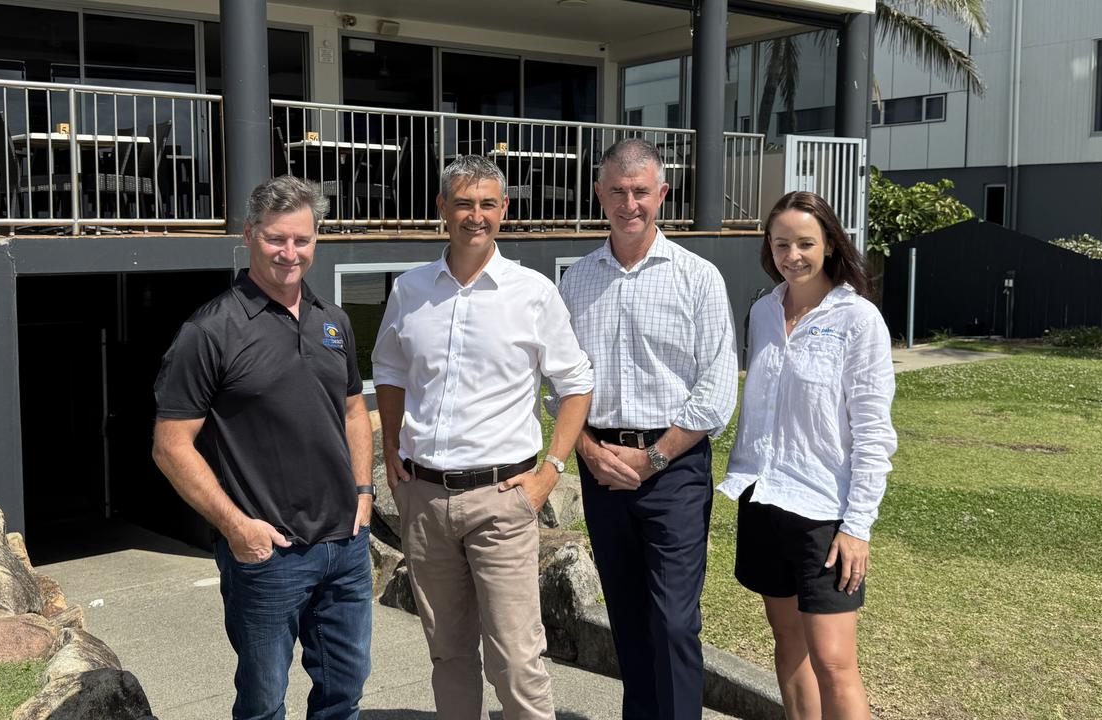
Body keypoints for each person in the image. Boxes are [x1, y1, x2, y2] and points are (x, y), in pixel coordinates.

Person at [372, 155, 594, 720]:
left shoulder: (533, 292)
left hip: (503, 499)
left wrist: (552, 470)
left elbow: (576, 383)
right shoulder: (409, 289)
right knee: (448, 654)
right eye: (464, 203)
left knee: (516, 657)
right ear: (442, 208)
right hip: (424, 499)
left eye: (488, 204)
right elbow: (391, 373)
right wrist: (394, 450)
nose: (477, 216)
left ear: (504, 210)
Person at [152, 175, 375, 720]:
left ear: (316, 239)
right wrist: (237, 528)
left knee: (345, 693)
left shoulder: (333, 322)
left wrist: (364, 496)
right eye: (276, 238)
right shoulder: (210, 331)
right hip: (267, 555)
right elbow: (170, 446)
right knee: (263, 703)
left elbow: (353, 411)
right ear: (249, 234)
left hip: (344, 548)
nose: (289, 252)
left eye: (301, 239)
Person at [557, 138, 738, 719]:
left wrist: (655, 458)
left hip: (675, 469)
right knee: (628, 619)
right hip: (603, 467)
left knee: (674, 621)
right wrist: (586, 449)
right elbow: (557, 385)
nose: (629, 203)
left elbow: (716, 390)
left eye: (641, 192)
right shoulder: (575, 282)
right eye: (617, 191)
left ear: (662, 194)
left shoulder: (699, 277)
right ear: (598, 193)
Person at [718, 191, 897, 720]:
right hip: (764, 499)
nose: (792, 255)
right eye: (781, 243)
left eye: (805, 243)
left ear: (830, 246)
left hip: (824, 513)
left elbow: (873, 432)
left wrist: (857, 525)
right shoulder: (763, 312)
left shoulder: (858, 320)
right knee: (789, 646)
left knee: (835, 662)